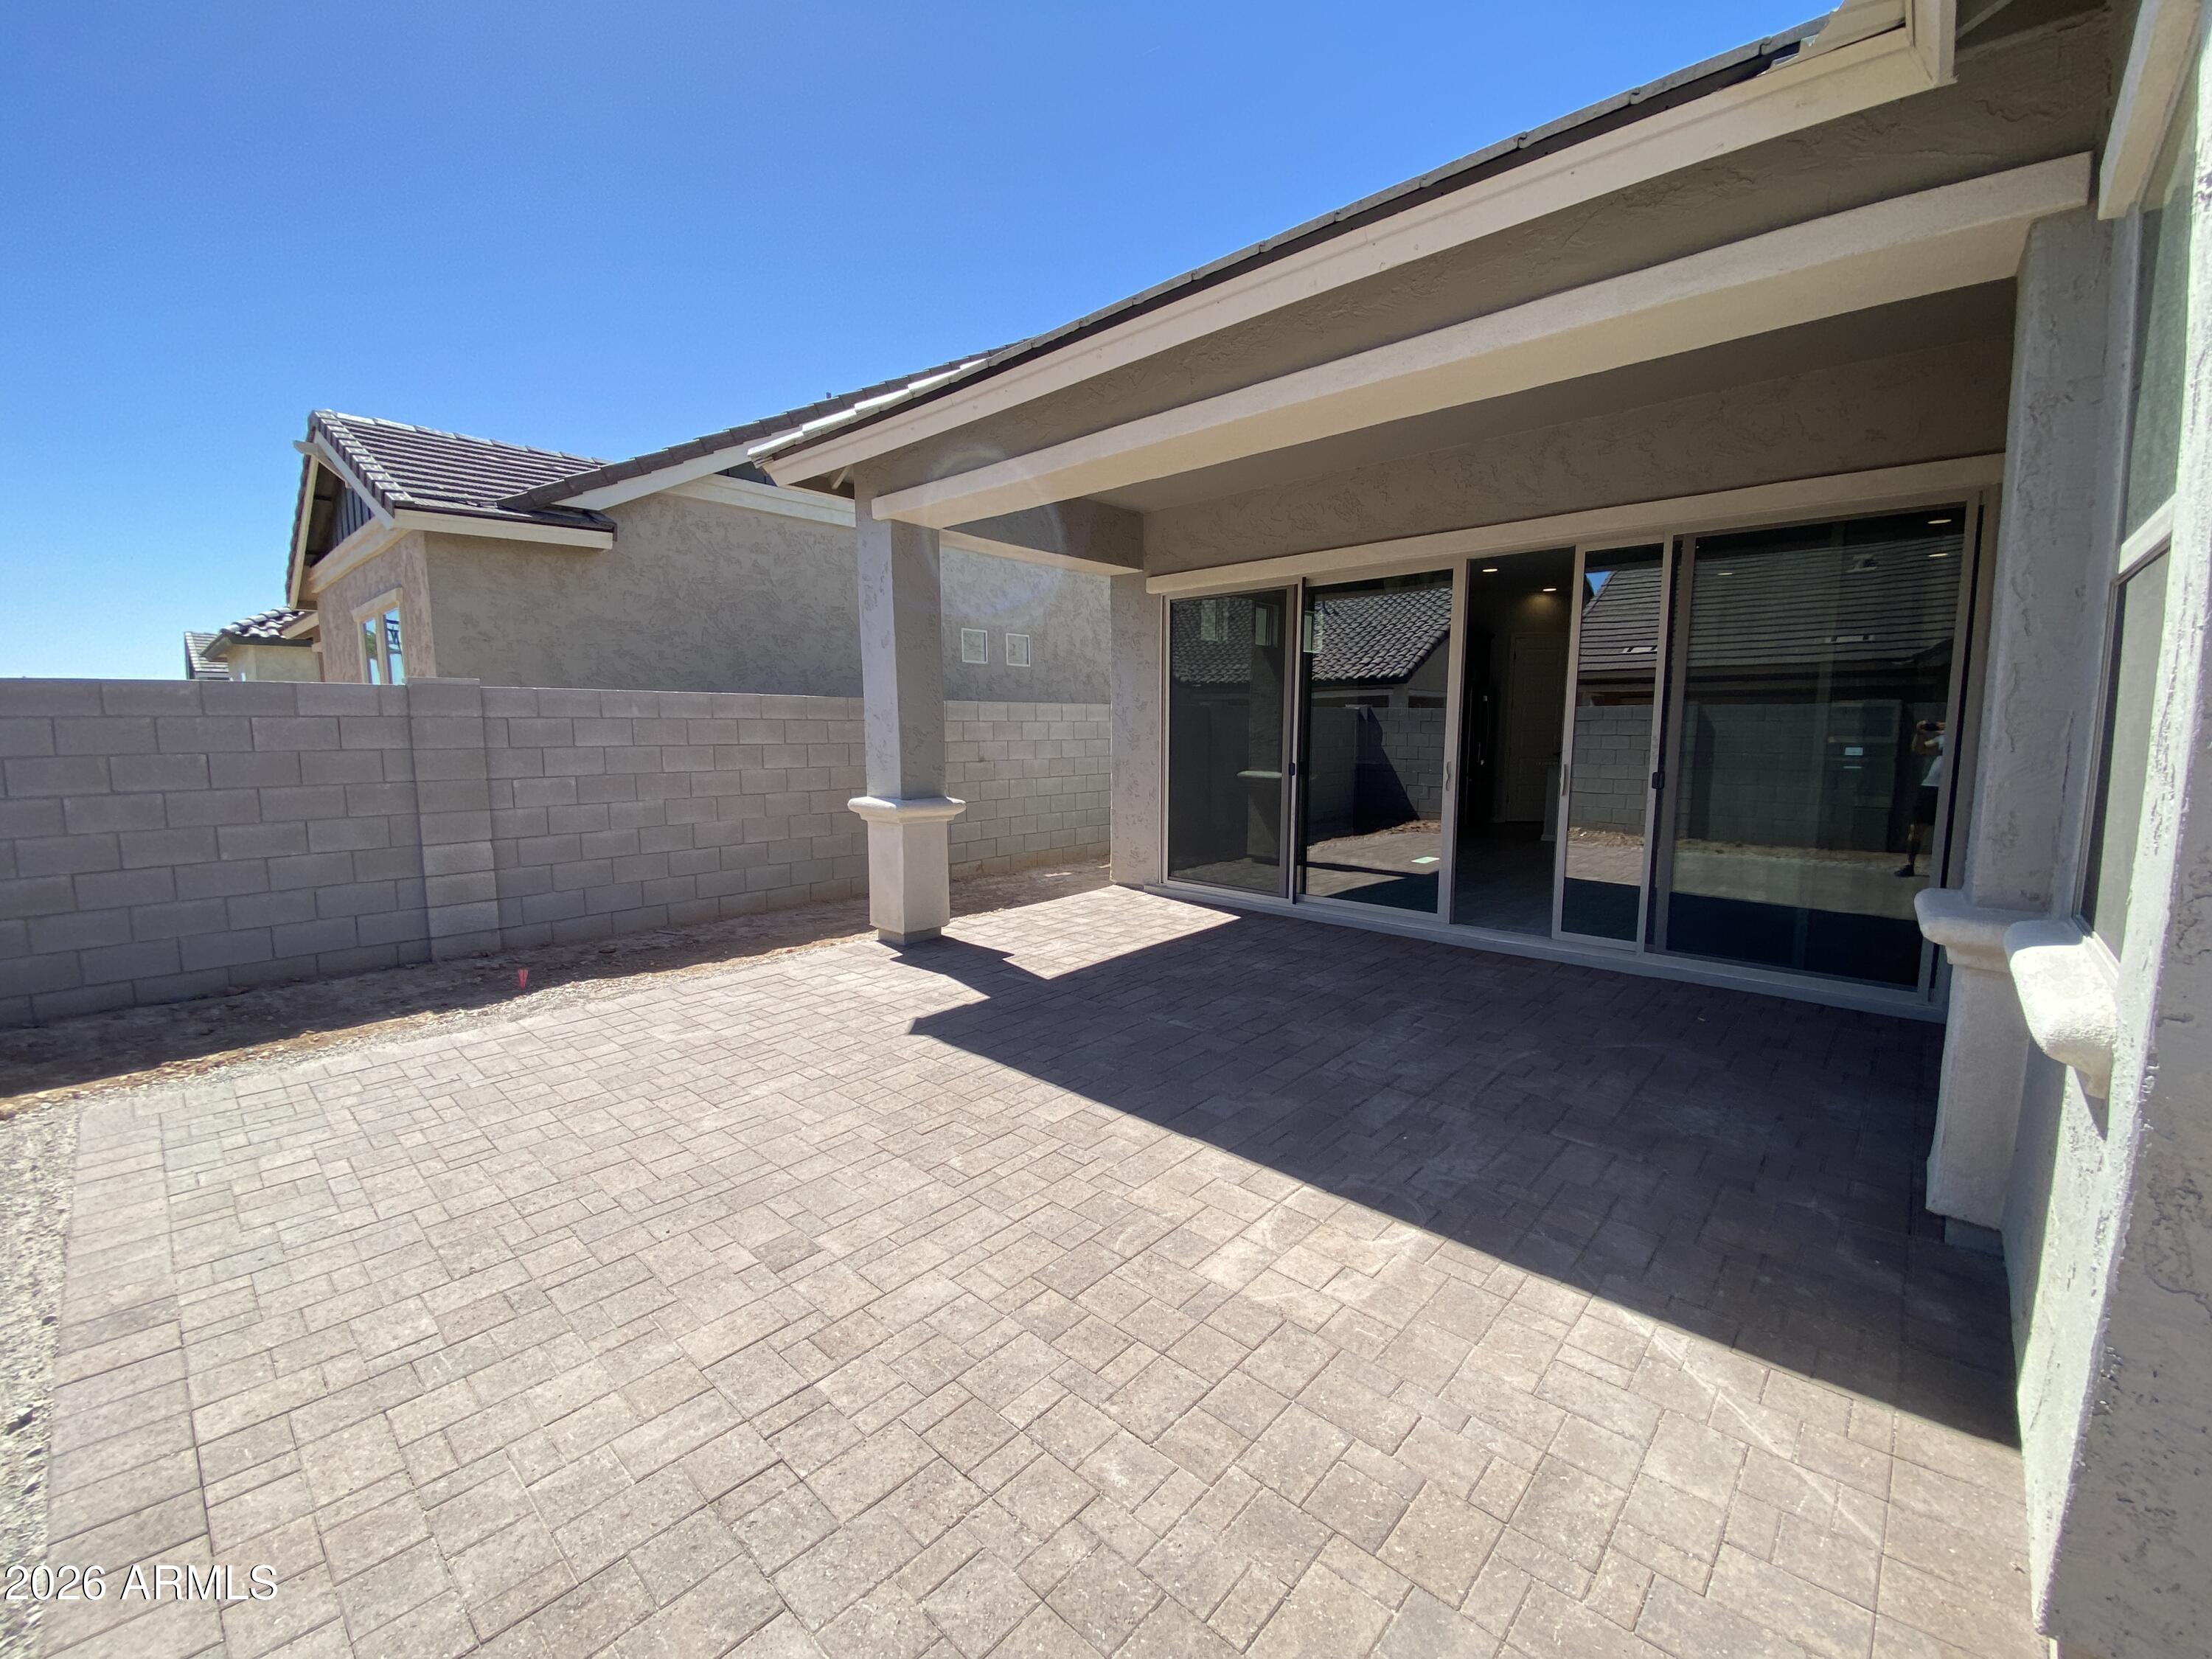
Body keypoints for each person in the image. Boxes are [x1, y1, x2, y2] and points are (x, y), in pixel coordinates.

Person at [1898, 720, 1946, 877]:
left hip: (1952, 788)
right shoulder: (1943, 737)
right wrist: (1920, 732)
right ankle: (1910, 864)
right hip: (1930, 787)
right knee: (1917, 827)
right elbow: (1920, 749)